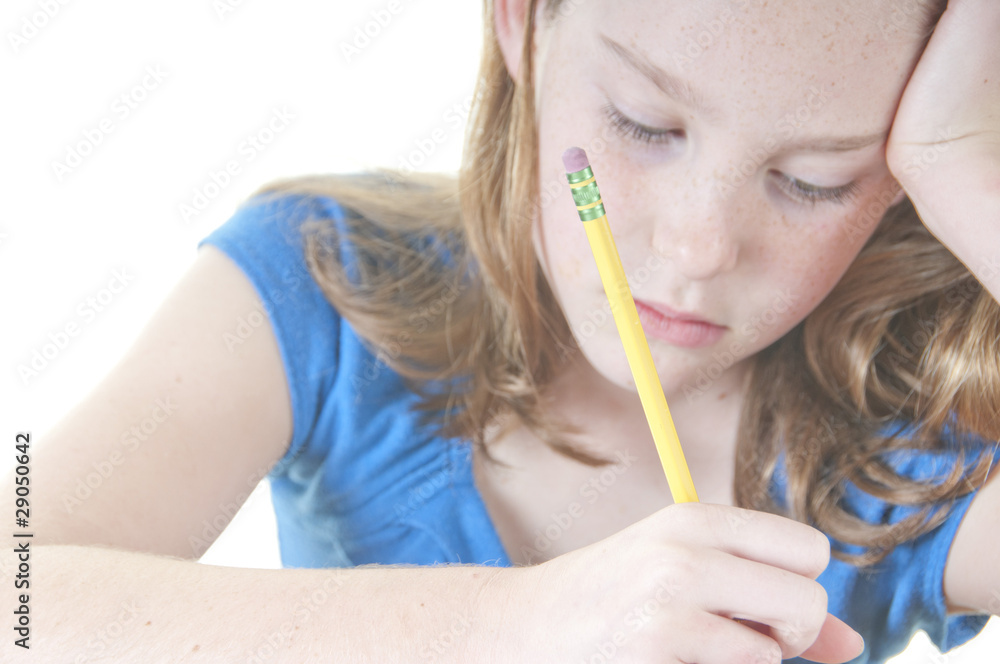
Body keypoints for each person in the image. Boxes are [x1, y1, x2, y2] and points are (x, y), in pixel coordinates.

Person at [8, 0, 999, 661]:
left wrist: (966, 164)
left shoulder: (915, 420)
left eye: (813, 180)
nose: (697, 246)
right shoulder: (322, 278)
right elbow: (19, 591)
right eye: (644, 122)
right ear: (520, 21)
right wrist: (519, 622)